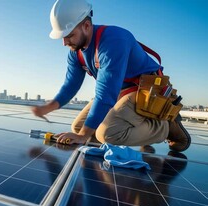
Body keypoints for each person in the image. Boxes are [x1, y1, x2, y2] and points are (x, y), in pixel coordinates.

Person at [31, 0, 191, 152]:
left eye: (69, 35)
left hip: (144, 90)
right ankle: (144, 130)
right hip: (120, 92)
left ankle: (164, 127)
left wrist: (82, 137)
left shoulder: (113, 40)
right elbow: (71, 85)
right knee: (79, 128)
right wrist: (47, 108)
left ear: (86, 26)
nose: (64, 42)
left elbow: (106, 93)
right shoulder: (76, 51)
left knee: (105, 134)